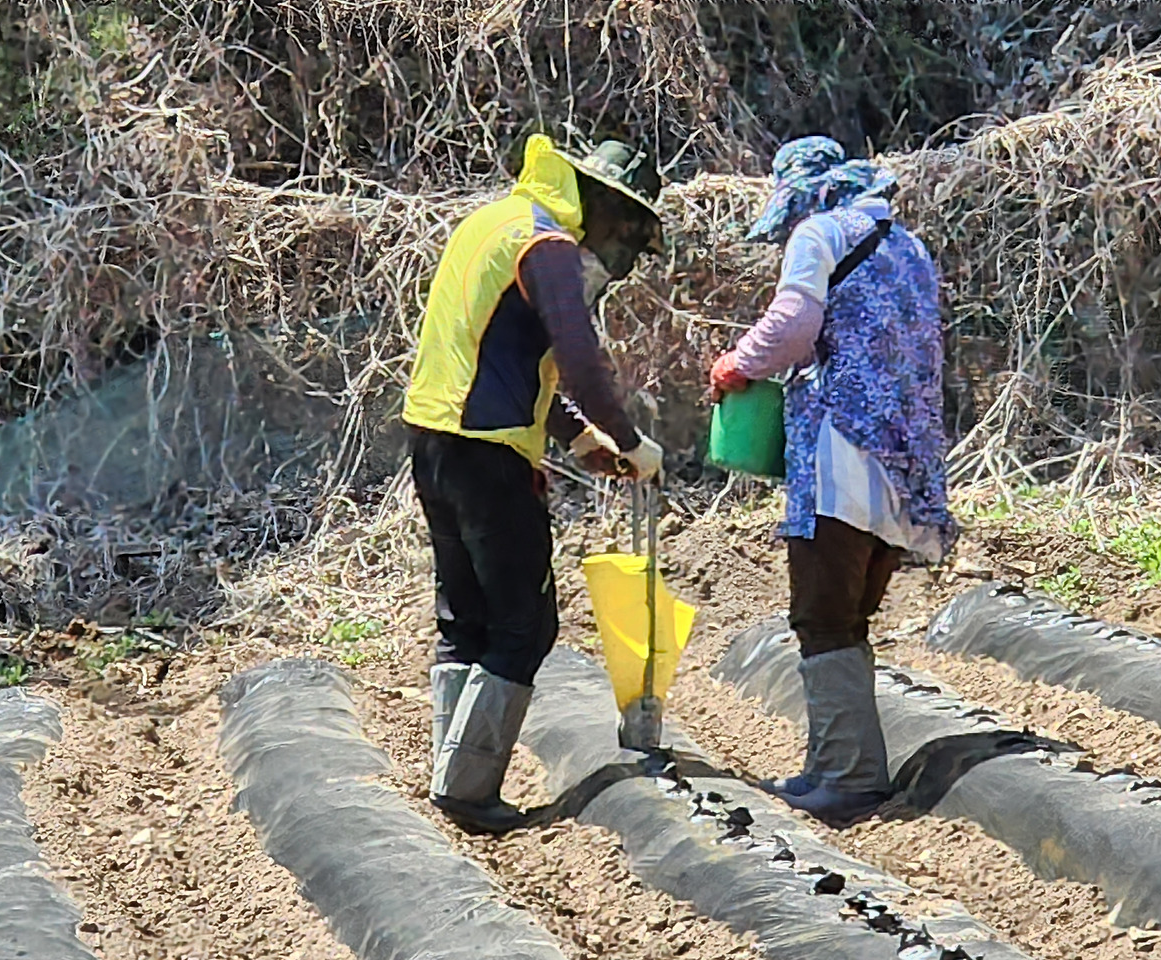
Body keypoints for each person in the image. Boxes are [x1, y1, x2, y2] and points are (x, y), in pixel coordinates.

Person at [404, 133, 665, 834]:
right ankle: (468, 791)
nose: (624, 252)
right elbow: (577, 356)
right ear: (602, 204)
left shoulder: (492, 223)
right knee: (526, 623)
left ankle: (450, 777)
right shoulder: (545, 245)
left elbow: (505, 356)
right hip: (490, 457)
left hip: (432, 442)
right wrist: (633, 441)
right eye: (628, 232)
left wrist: (582, 438)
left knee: (466, 619)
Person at [710, 136, 957, 827]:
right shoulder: (907, 245)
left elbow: (794, 325)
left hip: (842, 452)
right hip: (905, 463)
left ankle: (848, 779)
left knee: (823, 617)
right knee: (848, 618)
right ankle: (831, 766)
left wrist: (738, 366)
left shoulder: (819, 233)